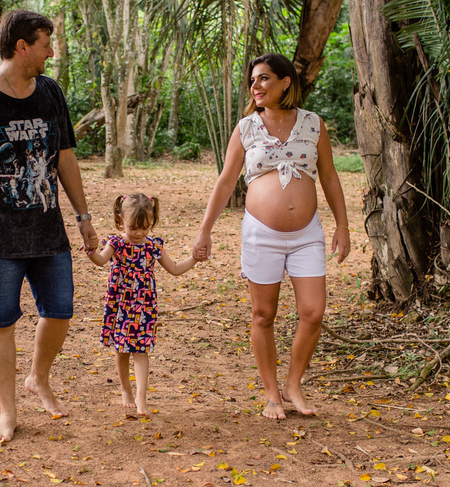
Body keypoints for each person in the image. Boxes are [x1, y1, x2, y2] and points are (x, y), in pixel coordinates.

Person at [0, 10, 99, 443]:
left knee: (60, 311)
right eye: (46, 43)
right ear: (22, 46)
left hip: (48, 230)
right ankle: (7, 412)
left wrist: (84, 220)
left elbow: (65, 158)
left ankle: (38, 377)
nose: (52, 51)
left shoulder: (50, 92)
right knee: (2, 321)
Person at [193, 53, 351, 420]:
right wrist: (205, 231)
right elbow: (226, 180)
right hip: (260, 233)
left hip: (307, 234)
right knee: (263, 314)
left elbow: (328, 177)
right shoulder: (247, 127)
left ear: (285, 82)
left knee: (313, 312)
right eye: (253, 80)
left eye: (264, 78)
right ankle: (271, 394)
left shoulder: (313, 124)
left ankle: (293, 384)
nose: (256, 86)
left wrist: (342, 225)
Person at [89, 193, 198, 417]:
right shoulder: (116, 243)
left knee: (141, 350)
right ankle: (125, 390)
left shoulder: (153, 246)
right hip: (120, 304)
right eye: (134, 228)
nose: (139, 233)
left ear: (152, 223)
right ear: (120, 221)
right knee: (121, 350)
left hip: (144, 305)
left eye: (145, 227)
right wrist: (91, 252)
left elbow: (175, 269)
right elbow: (100, 260)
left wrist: (195, 258)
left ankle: (141, 397)